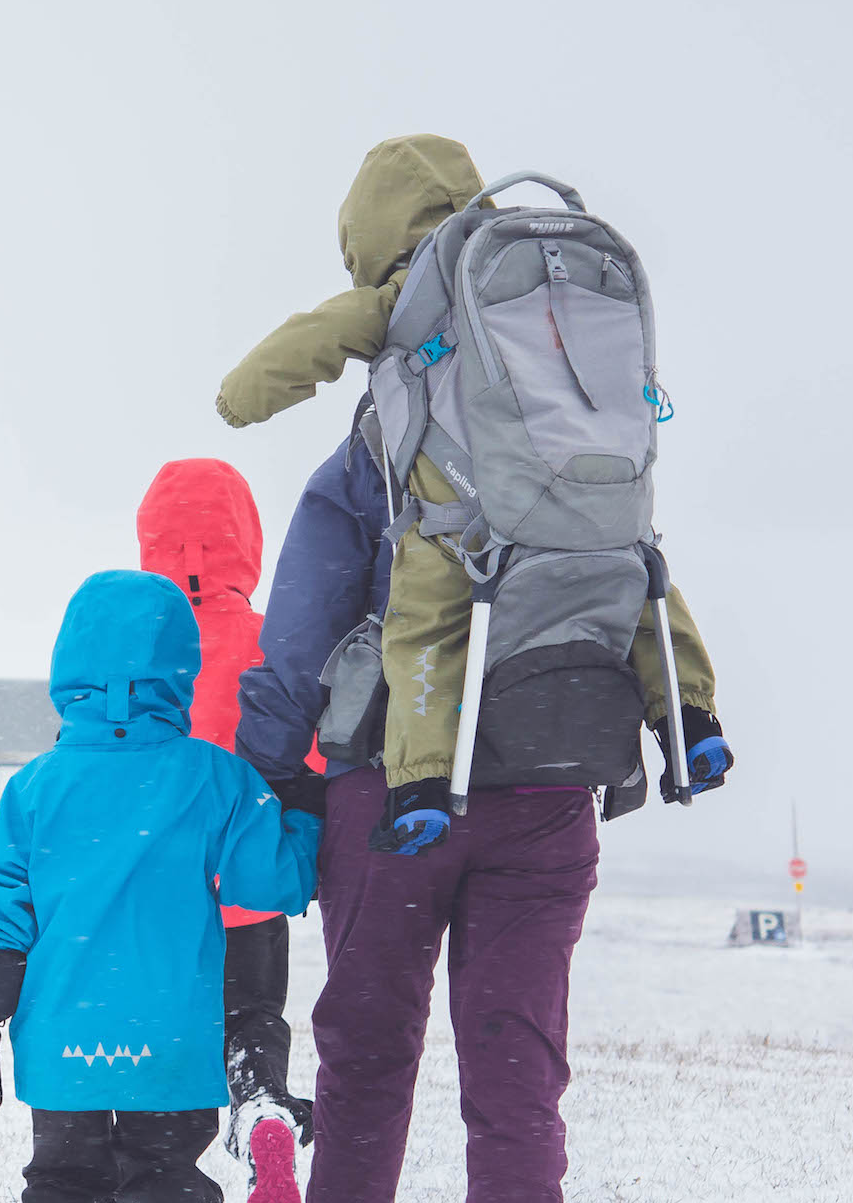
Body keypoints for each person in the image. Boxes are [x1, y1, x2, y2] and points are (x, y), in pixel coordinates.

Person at [235, 405, 731, 1203]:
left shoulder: (388, 437)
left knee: (371, 1045)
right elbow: (641, 583)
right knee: (518, 1062)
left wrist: (273, 755)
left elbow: (302, 614)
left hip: (392, 780)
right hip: (550, 777)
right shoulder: (583, 434)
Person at [211, 135, 720, 855]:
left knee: (426, 617)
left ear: (369, 233)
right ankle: (691, 720)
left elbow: (305, 609)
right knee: (636, 573)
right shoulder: (548, 287)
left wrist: (234, 404)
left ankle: (420, 785)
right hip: (565, 747)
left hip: (459, 588)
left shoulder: (400, 298)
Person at [0, 569, 320, 1203]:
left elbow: (0, 911)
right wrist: (296, 801)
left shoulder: (37, 786)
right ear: (179, 671)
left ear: (67, 668)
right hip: (175, 1034)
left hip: (61, 1038)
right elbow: (279, 879)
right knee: (164, 1168)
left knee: (65, 1179)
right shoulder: (214, 778)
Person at [133, 458, 315, 1203]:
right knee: (252, 1017)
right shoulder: (270, 643)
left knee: (169, 1051)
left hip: (150, 901)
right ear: (246, 539)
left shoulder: (128, 647)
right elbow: (309, 757)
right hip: (246, 892)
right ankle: (263, 1103)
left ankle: (170, 1196)